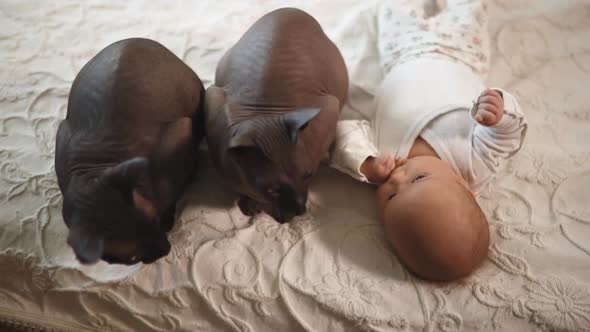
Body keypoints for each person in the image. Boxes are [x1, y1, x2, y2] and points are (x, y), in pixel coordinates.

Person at [330, 0, 527, 281]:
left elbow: (340, 133)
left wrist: (364, 163)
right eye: (419, 179)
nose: (397, 178)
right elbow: (509, 134)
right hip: (461, 53)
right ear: (466, 189)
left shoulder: (380, 163)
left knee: (393, 7)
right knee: (468, 7)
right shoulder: (473, 164)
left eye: (391, 196)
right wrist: (499, 115)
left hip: (401, 54)